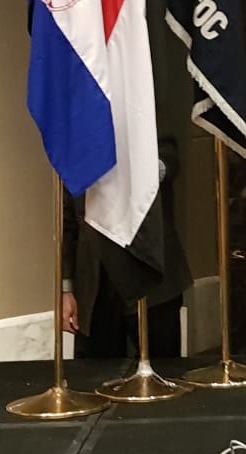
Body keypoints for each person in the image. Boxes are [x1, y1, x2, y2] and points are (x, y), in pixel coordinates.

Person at [61, 135, 191, 359]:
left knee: (162, 369)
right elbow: (68, 223)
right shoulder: (76, 140)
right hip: (96, 285)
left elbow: (168, 161)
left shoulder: (144, 125)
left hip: (151, 277)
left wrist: (128, 168)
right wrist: (66, 289)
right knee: (95, 374)